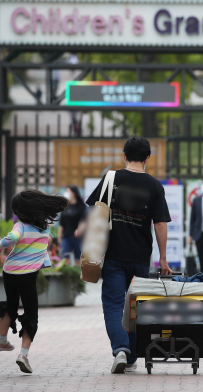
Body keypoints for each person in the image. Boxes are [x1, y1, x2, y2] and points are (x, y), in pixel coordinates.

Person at [85, 136, 172, 374]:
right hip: (140, 257)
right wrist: (163, 258)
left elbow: (96, 211)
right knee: (136, 306)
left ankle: (121, 350)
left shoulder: (111, 178)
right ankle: (132, 356)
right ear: (147, 158)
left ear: (124, 155)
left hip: (112, 254)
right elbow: (161, 224)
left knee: (114, 305)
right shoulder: (154, 185)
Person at [0, 190, 68, 374]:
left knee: (11, 305)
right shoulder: (44, 227)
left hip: (10, 271)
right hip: (28, 275)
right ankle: (23, 355)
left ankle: (1, 340)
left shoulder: (20, 226)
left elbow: (14, 237)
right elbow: (44, 241)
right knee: (31, 313)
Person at [58, 185, 86, 265]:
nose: (66, 193)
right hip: (66, 236)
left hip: (79, 237)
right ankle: (66, 275)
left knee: (79, 259)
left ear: (73, 193)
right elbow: (62, 223)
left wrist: (80, 229)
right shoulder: (65, 207)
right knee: (64, 258)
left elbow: (86, 222)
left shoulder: (82, 207)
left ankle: (78, 276)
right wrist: (59, 236)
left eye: (68, 191)